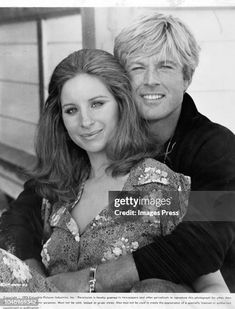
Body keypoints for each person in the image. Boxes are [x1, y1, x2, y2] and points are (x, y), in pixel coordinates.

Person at [0, 48, 229, 293]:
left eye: (97, 104)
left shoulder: (150, 188)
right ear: (60, 119)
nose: (85, 121)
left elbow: (214, 290)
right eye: (71, 110)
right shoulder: (57, 191)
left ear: (121, 104)